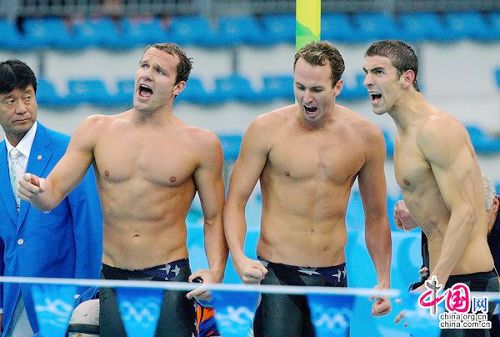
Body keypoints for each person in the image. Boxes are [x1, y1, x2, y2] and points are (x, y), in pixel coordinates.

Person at [17, 43, 228, 337]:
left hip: (169, 277)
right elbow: (52, 193)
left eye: (159, 71)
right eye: (144, 66)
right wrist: (36, 190)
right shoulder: (97, 129)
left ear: (178, 87)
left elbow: (214, 218)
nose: (148, 75)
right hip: (114, 277)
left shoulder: (201, 145)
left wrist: (215, 272)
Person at [223, 41, 392, 337]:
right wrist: (238, 256)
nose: (306, 98)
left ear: (337, 87)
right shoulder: (266, 129)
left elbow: (376, 217)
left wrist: (383, 279)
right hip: (277, 273)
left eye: (316, 90)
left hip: (332, 276)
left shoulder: (366, 137)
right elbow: (235, 201)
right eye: (300, 87)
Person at [364, 40, 499, 335]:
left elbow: (467, 211)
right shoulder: (403, 135)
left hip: (467, 286)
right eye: (366, 72)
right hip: (441, 282)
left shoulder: (437, 128)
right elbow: (443, 207)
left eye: (378, 71)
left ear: (407, 78)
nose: (366, 81)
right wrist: (416, 213)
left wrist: (434, 286)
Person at [0, 59, 102, 337]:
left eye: (27, 97)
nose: (21, 108)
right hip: (11, 305)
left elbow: (89, 228)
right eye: (10, 101)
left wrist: (84, 297)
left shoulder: (68, 150)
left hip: (63, 302)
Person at [395, 175, 500, 334]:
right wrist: (420, 212)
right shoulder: (445, 223)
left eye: (475, 220)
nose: (470, 228)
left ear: (494, 204)